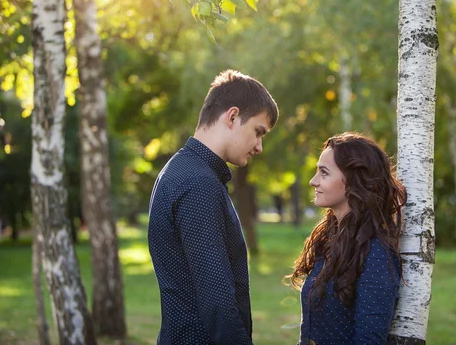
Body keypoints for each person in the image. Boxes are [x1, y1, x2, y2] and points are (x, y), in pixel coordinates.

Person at [148, 70, 278, 345]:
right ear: (232, 117)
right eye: (258, 132)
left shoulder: (180, 169)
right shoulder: (198, 183)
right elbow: (217, 301)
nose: (259, 147)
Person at [287, 132, 407, 345]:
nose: (313, 181)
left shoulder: (376, 253)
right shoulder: (327, 241)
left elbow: (369, 340)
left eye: (324, 173)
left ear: (353, 179)